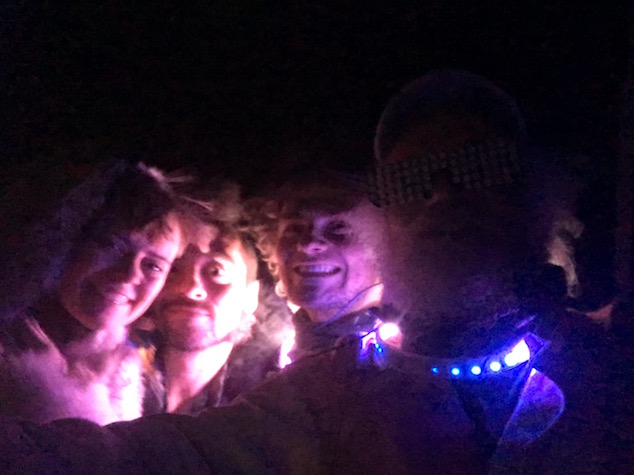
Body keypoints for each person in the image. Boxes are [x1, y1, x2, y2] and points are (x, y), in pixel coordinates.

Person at [0, 71, 620, 473]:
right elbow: (151, 459)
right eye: (408, 180)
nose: (442, 194)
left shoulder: (610, 355)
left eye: (479, 166)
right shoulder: (330, 388)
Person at [0, 161, 186, 425]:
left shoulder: (139, 380)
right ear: (66, 241)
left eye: (153, 266)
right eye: (112, 245)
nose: (130, 274)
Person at [139, 195, 291, 415]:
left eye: (216, 271)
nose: (190, 288)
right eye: (174, 268)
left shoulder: (278, 401)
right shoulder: (102, 376)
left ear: (250, 297)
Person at [248, 175, 388, 363]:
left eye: (338, 227)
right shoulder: (262, 367)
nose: (307, 244)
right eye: (294, 229)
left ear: (387, 246)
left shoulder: (412, 364)